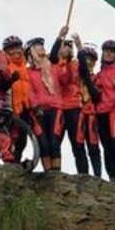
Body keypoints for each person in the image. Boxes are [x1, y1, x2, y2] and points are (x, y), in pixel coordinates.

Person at [82, 39, 115, 183]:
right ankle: (113, 177)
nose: (108, 53)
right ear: (102, 52)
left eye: (112, 52)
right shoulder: (99, 74)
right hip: (100, 113)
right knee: (106, 147)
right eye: (106, 50)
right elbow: (95, 95)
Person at [25, 37, 70, 171]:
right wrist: (34, 105)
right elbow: (29, 91)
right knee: (43, 143)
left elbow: (66, 79)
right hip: (37, 111)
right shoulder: (27, 72)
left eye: (41, 45)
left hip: (56, 108)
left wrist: (64, 63)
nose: (41, 47)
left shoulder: (54, 68)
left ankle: (57, 174)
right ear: (30, 53)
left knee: (54, 142)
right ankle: (48, 174)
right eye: (37, 46)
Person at [48, 26, 88, 175]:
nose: (66, 49)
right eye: (63, 47)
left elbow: (85, 71)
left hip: (74, 108)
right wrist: (59, 37)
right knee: (54, 142)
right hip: (58, 108)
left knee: (77, 144)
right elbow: (52, 55)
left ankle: (83, 176)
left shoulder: (76, 65)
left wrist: (80, 48)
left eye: (68, 47)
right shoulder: (53, 66)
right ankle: (54, 174)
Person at [74, 38, 102, 178]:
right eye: (86, 58)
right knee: (78, 145)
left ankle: (97, 176)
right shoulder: (74, 75)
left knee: (93, 145)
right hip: (77, 112)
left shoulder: (97, 77)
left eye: (92, 59)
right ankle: (83, 175)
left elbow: (97, 95)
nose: (89, 61)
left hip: (91, 113)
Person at [2, 35, 32, 162]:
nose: (15, 51)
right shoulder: (5, 67)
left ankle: (17, 164)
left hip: (27, 108)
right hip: (11, 107)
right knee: (10, 139)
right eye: (11, 49)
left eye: (18, 47)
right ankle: (10, 165)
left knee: (22, 140)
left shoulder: (28, 65)